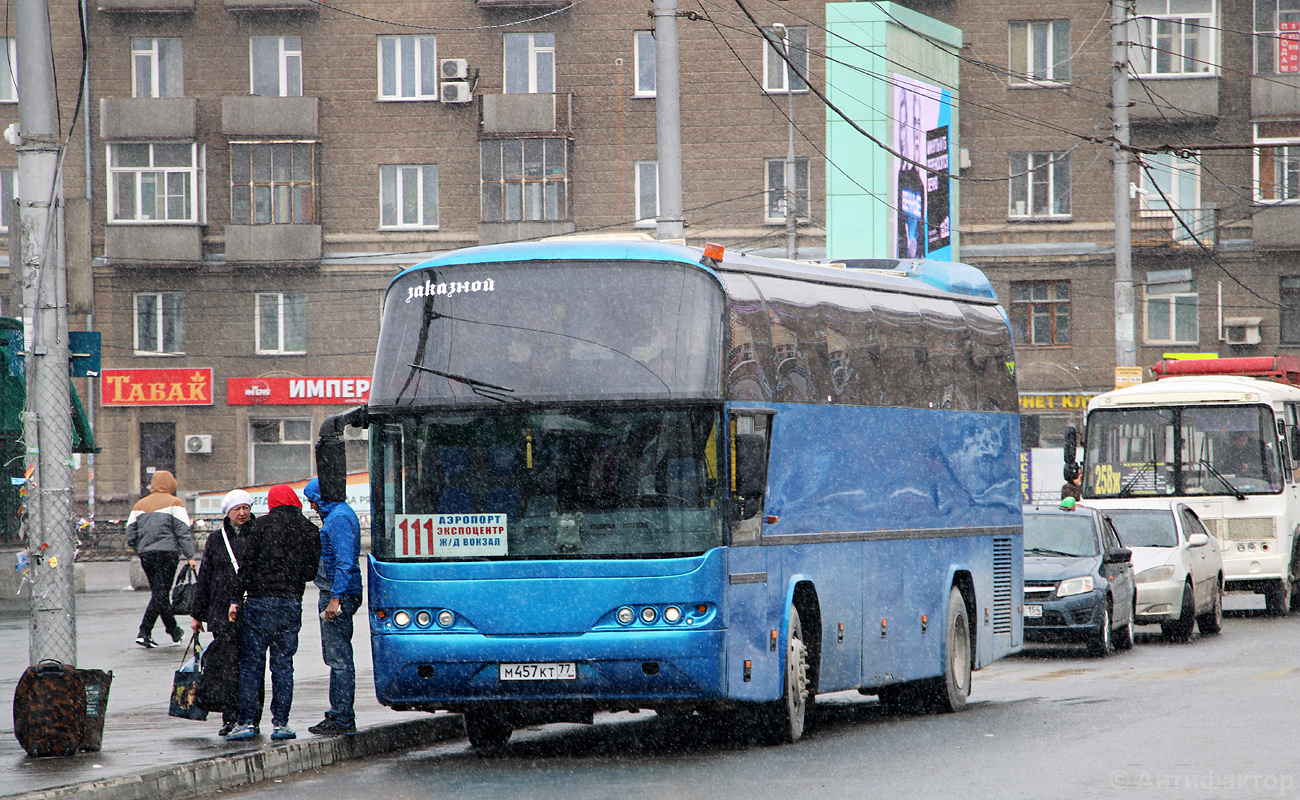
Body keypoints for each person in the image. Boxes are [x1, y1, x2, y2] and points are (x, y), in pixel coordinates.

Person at [225, 485, 321, 742]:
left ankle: (246, 722)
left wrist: (236, 598)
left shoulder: (260, 526)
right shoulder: (310, 530)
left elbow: (246, 567)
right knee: (283, 665)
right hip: (290, 603)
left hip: (259, 602)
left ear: (272, 503)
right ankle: (281, 723)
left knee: (251, 664)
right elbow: (311, 573)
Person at [190, 489, 262, 737]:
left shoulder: (259, 533)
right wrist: (196, 614)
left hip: (252, 608)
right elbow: (205, 577)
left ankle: (251, 715)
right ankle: (230, 716)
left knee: (252, 664)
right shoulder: (216, 539)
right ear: (228, 513)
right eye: (237, 509)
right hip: (222, 611)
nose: (242, 513)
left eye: (245, 508)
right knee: (227, 666)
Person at [302, 478, 363, 736]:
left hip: (338, 594)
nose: (311, 505)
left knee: (338, 659)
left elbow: (344, 561)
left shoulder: (337, 518)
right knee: (337, 657)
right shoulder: (339, 514)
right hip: (340, 591)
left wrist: (335, 598)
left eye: (311, 499)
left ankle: (342, 717)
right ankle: (339, 713)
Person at [126, 470, 197, 648]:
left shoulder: (139, 505)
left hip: (147, 555)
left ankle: (173, 631)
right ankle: (144, 632)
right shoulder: (175, 503)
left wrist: (140, 548)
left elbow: (130, 534)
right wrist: (190, 555)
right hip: (167, 554)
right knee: (161, 593)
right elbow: (182, 531)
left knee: (159, 592)